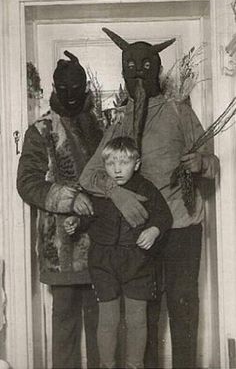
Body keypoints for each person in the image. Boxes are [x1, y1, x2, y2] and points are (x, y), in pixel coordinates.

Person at [79, 28, 220, 369]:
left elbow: (212, 164)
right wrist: (117, 193)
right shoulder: (119, 120)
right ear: (124, 75)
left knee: (184, 308)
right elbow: (88, 176)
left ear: (156, 70)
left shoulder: (177, 111)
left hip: (182, 228)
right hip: (139, 235)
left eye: (145, 68)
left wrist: (201, 162)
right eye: (131, 70)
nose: (138, 77)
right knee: (146, 314)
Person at [17, 50, 103, 369]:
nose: (70, 95)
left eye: (76, 88)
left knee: (103, 328)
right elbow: (27, 182)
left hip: (102, 244)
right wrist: (67, 198)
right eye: (63, 88)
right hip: (61, 248)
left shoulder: (102, 124)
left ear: (86, 88)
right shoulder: (40, 130)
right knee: (65, 326)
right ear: (53, 87)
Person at [64, 136, 173, 369]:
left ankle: (135, 365)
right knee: (108, 320)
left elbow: (164, 217)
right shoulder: (99, 191)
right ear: (104, 166)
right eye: (111, 164)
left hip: (138, 262)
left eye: (123, 163)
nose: (117, 169)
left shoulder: (146, 189)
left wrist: (153, 231)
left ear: (136, 164)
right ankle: (107, 365)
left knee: (136, 319)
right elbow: (88, 217)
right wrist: (75, 221)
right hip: (104, 262)